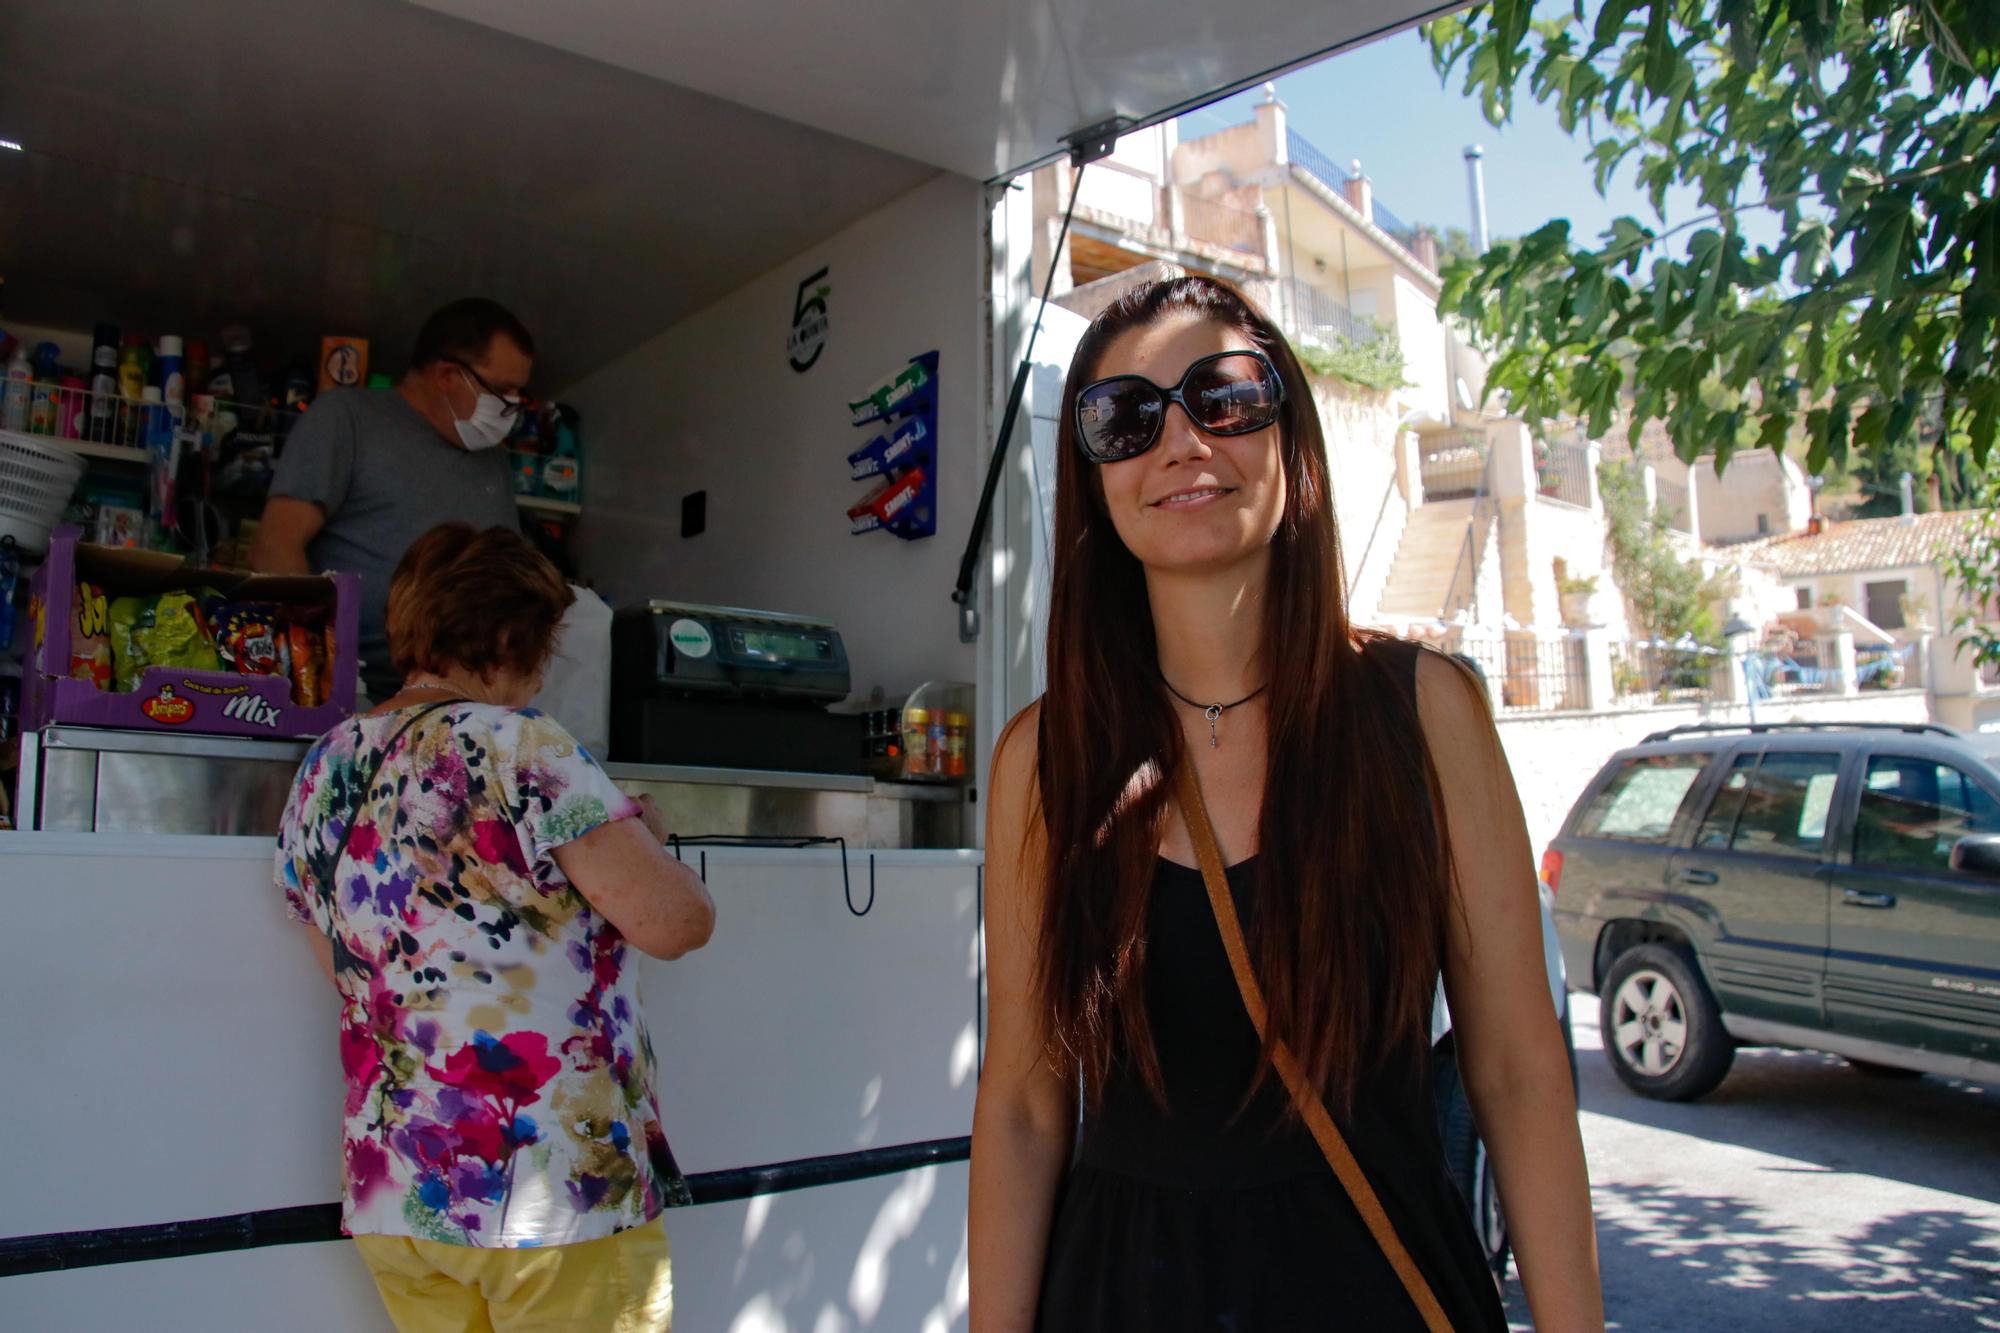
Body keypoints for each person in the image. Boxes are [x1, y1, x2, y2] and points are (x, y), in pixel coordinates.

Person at [967, 276, 1602, 1331]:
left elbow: (1517, 1071)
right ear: (1091, 479)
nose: (1178, 442)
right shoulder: (1042, 758)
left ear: (1287, 433)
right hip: (1123, 1295)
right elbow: (1026, 1106)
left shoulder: (1422, 709)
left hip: (1382, 1288)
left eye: (1221, 397)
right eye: (1123, 418)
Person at [276, 522, 715, 1332]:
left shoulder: (323, 767)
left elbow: (342, 960)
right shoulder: (522, 747)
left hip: (401, 1194)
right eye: (543, 646)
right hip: (549, 1195)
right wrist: (644, 838)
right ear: (510, 637)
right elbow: (676, 921)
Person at [251, 298, 532, 698]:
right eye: (502, 392)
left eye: (519, 394)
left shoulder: (494, 462)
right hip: (356, 691)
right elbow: (274, 547)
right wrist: (327, 668)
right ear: (449, 375)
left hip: (463, 700)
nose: (512, 408)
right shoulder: (346, 419)